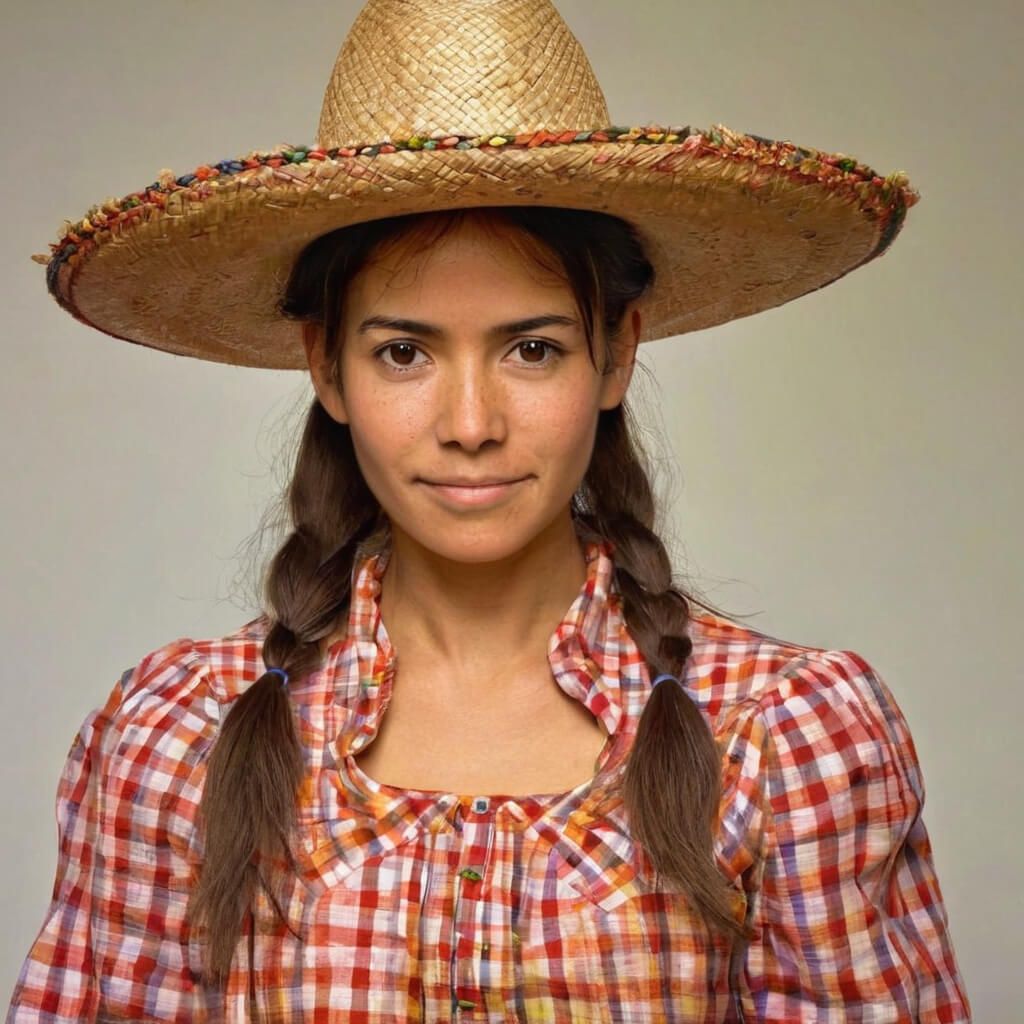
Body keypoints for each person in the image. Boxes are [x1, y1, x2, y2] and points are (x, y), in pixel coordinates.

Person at [9, 0, 971, 1021]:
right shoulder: (178, 736)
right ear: (324, 367)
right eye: (404, 352)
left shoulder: (784, 737)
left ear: (618, 351)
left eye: (532, 348)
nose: (470, 423)